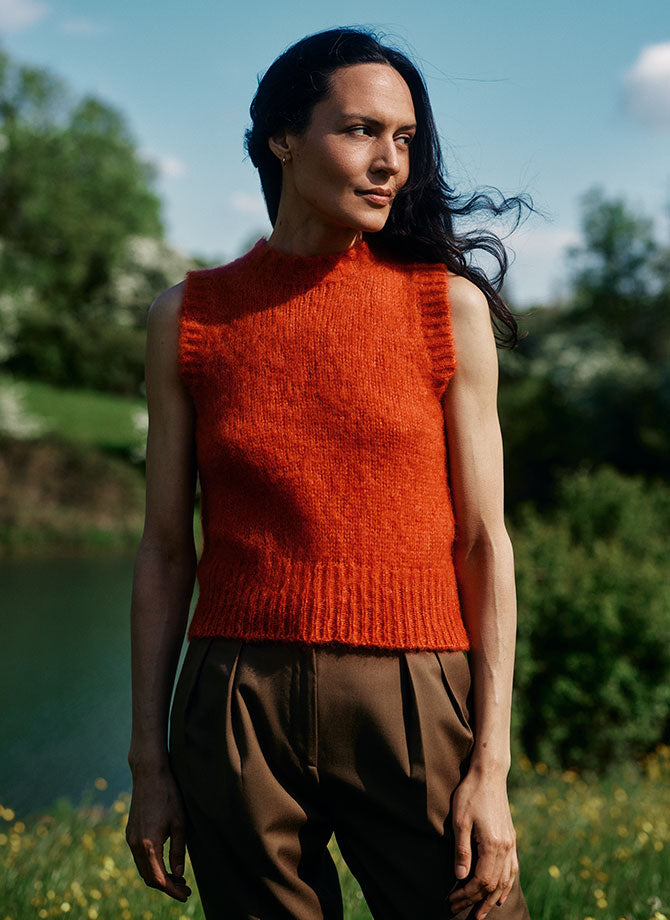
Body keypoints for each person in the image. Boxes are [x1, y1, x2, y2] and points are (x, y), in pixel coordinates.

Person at [126, 26, 534, 920]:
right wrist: (149, 763)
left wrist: (491, 767)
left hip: (416, 696)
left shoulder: (446, 308)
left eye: (405, 139)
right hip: (235, 703)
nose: (390, 162)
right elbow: (164, 550)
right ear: (282, 136)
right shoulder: (188, 316)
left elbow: (483, 544)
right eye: (360, 131)